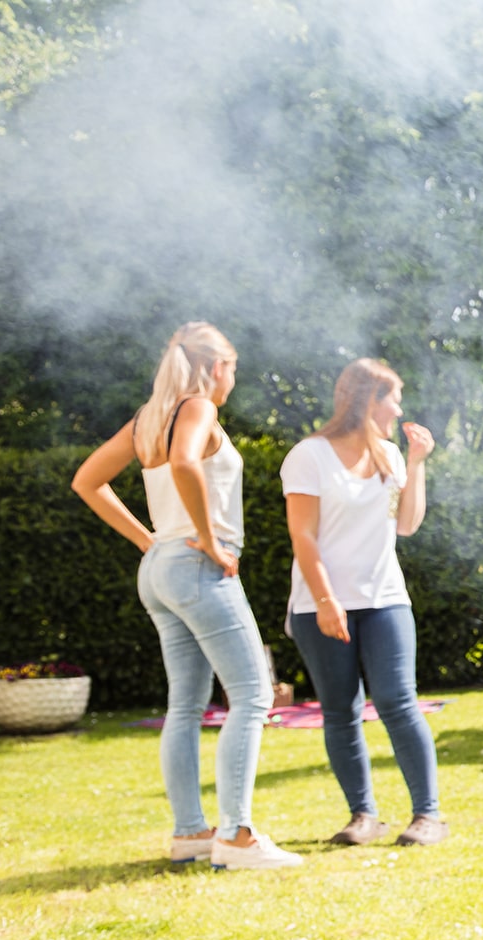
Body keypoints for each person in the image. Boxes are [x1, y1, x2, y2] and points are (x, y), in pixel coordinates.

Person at [71, 323, 299, 871]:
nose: (233, 380)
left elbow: (86, 481)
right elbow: (184, 462)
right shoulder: (197, 407)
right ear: (217, 367)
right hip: (196, 566)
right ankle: (235, 837)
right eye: (233, 369)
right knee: (253, 695)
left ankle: (190, 834)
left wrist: (148, 541)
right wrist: (210, 538)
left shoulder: (148, 419)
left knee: (186, 705)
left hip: (161, 569)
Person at [282, 358, 446, 848]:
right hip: (319, 604)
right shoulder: (309, 456)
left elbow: (407, 524)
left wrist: (416, 463)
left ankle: (428, 815)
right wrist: (326, 599)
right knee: (340, 709)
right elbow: (303, 536)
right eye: (394, 399)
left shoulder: (390, 455)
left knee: (397, 701)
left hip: (384, 598)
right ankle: (363, 816)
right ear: (369, 400)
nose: (399, 410)